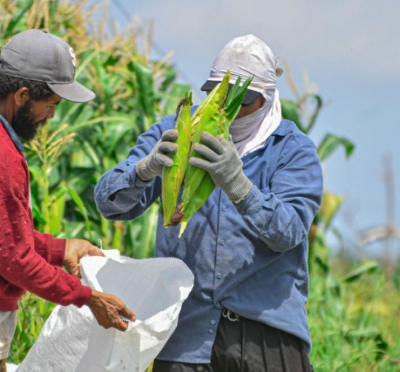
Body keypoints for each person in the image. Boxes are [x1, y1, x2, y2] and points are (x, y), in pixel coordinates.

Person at [0, 29, 135, 372]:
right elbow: (15, 261)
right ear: (23, 95)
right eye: (51, 106)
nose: (51, 117)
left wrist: (63, 250)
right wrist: (89, 299)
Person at [94, 34, 323, 372]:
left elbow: (288, 232)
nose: (230, 111)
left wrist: (238, 184)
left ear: (267, 98)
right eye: (220, 96)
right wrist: (145, 169)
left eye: (243, 101)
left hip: (264, 334)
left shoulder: (292, 150)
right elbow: (109, 203)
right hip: (185, 337)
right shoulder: (174, 131)